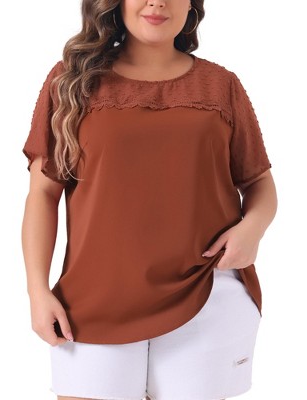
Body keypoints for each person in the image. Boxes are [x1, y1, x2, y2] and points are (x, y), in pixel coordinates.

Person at [21, 0, 278, 399]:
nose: (157, 2)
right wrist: (37, 291)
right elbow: (42, 193)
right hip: (91, 303)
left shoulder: (221, 86)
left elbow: (259, 181)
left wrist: (252, 229)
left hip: (207, 294)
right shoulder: (70, 81)